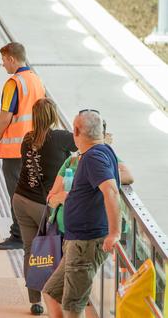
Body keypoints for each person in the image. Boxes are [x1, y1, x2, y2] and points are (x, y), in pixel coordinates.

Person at [42, 110, 121, 318]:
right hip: (76, 240)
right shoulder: (101, 151)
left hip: (85, 243)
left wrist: (114, 232)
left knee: (72, 307)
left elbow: (111, 190)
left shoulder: (94, 157)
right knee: (51, 292)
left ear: (76, 131)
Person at [10, 98, 76, 316]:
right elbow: (86, 141)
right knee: (54, 251)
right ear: (53, 116)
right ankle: (55, 296)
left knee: (31, 249)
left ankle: (35, 300)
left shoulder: (27, 139)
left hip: (20, 200)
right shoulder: (59, 138)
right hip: (42, 205)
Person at [0, 42, 45, 250]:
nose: (3, 64)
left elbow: (6, 115)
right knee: (30, 190)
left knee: (15, 193)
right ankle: (30, 233)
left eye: (4, 60)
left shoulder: (14, 83)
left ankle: (18, 235)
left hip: (15, 149)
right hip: (35, 145)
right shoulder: (36, 80)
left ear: (12, 59)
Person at [47, 119, 134, 235]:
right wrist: (62, 198)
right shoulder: (71, 162)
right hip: (62, 230)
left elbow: (128, 176)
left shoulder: (106, 159)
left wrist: (95, 177)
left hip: (89, 232)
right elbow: (50, 199)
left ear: (103, 136)